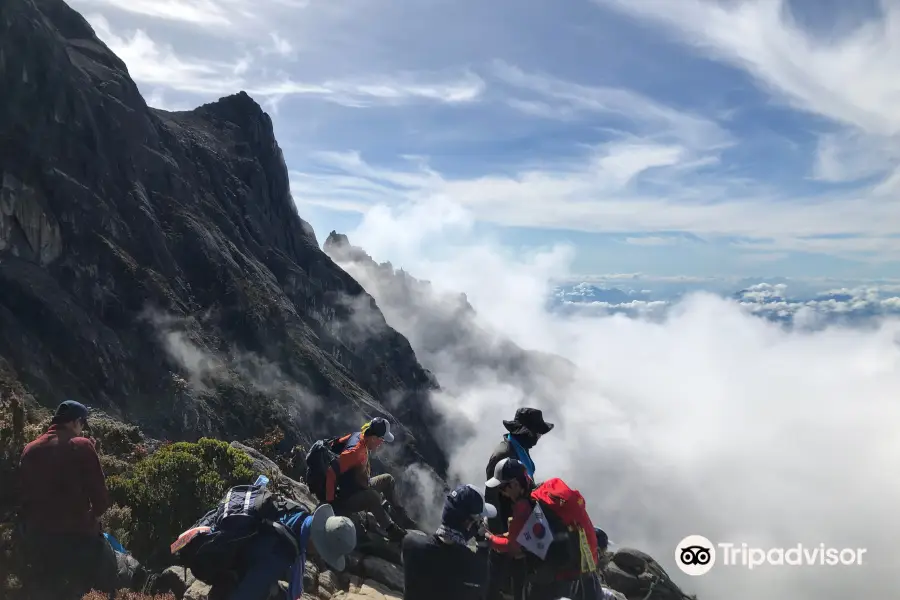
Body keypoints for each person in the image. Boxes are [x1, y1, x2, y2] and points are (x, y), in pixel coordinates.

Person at [18, 400, 118, 599]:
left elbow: (23, 495)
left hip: (38, 539)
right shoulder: (80, 445)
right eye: (82, 425)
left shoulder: (29, 449)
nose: (81, 430)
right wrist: (95, 517)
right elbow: (100, 498)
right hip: (76, 538)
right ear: (75, 422)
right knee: (107, 576)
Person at [483, 458, 602, 600]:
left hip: (548, 577)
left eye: (502, 488)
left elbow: (512, 546)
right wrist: (501, 535)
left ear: (514, 484)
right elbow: (518, 535)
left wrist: (488, 538)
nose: (502, 493)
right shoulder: (542, 495)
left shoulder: (524, 507)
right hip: (573, 570)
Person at [483, 408, 554, 600]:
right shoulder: (504, 454)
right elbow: (491, 496)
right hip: (506, 526)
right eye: (537, 433)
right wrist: (498, 533)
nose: (539, 437)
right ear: (526, 432)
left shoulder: (520, 449)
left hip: (520, 525)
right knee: (496, 576)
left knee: (520, 575)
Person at [221, 502, 357, 600]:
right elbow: (244, 595)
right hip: (229, 568)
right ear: (317, 543)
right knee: (272, 592)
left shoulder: (299, 515)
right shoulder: (280, 555)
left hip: (249, 553)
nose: (320, 556)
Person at [402, 484, 496, 600]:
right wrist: (483, 545)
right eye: (479, 521)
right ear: (468, 524)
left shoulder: (411, 543)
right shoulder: (476, 566)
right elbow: (482, 590)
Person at [325, 417, 411, 542]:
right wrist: (330, 503)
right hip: (346, 497)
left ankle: (401, 516)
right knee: (373, 496)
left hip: (358, 485)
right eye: (381, 439)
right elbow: (331, 471)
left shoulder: (359, 436)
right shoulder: (354, 452)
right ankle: (392, 531)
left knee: (387, 479)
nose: (382, 443)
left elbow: (334, 444)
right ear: (373, 438)